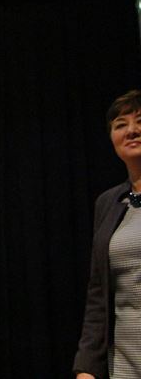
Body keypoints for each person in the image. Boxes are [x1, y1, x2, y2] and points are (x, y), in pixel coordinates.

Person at [73, 89, 141, 379]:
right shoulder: (109, 203)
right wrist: (86, 368)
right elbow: (98, 296)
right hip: (124, 365)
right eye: (120, 124)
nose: (132, 131)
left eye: (140, 121)